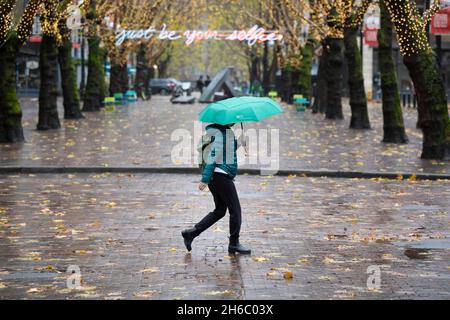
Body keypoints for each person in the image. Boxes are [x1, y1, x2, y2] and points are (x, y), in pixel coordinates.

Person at [181, 123, 251, 254]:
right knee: (235, 210)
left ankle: (192, 233)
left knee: (220, 210)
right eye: (232, 119)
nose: (234, 122)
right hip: (220, 175)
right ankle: (234, 243)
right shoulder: (222, 134)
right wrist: (204, 179)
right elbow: (213, 156)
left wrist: (240, 142)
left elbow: (226, 152)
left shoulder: (223, 132)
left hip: (217, 176)